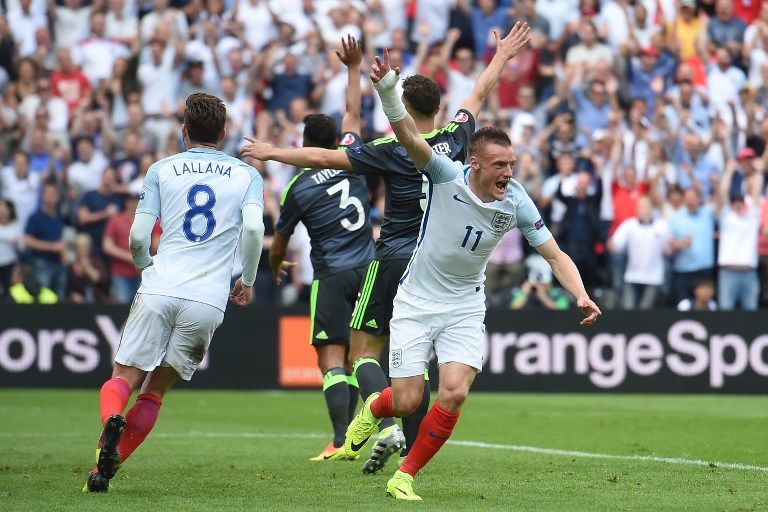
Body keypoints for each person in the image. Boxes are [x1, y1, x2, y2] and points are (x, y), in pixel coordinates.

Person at [243, 22, 537, 474]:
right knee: (416, 363)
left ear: (398, 110)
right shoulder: (460, 140)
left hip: (396, 254)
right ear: (439, 109)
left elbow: (324, 157)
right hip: (439, 259)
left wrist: (269, 151)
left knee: (363, 351)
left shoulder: (388, 146)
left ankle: (384, 427)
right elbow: (478, 92)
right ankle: (407, 438)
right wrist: (502, 56)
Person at [341, 44, 600, 501]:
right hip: (416, 300)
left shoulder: (517, 199)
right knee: (406, 401)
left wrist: (580, 293)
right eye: (500, 165)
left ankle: (405, 476)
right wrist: (384, 89)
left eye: (512, 165)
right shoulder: (445, 175)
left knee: (454, 394)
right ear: (475, 164)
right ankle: (371, 412)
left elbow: (555, 255)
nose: (508, 173)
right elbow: (408, 136)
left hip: (464, 304)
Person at [83, 93, 267, 493]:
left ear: (184, 130)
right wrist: (248, 281)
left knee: (124, 376)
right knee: (156, 390)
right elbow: (254, 230)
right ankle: (103, 471)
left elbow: (137, 236)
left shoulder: (161, 169)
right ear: (224, 132)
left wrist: (146, 266)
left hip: (161, 285)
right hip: (207, 298)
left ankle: (110, 420)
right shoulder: (247, 175)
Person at [268, 37, 374, 461]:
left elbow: (280, 240)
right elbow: (353, 111)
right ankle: (374, 428)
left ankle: (339, 440)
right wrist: (353, 69)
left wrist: (276, 265)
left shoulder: (297, 188)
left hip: (330, 275)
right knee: (364, 354)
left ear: (304, 142)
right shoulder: (355, 156)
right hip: (370, 269)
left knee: (332, 359)